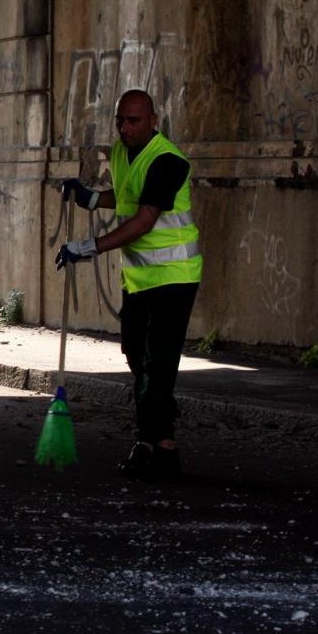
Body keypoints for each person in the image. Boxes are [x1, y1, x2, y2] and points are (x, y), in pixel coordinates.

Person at [56, 89, 202, 481]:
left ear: (153, 121)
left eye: (133, 121)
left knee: (156, 364)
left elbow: (145, 219)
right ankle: (160, 432)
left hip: (174, 277)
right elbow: (126, 196)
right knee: (136, 354)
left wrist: (90, 247)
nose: (124, 128)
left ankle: (154, 446)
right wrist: (91, 198)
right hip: (139, 278)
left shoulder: (168, 161)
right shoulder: (122, 153)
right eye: (120, 120)